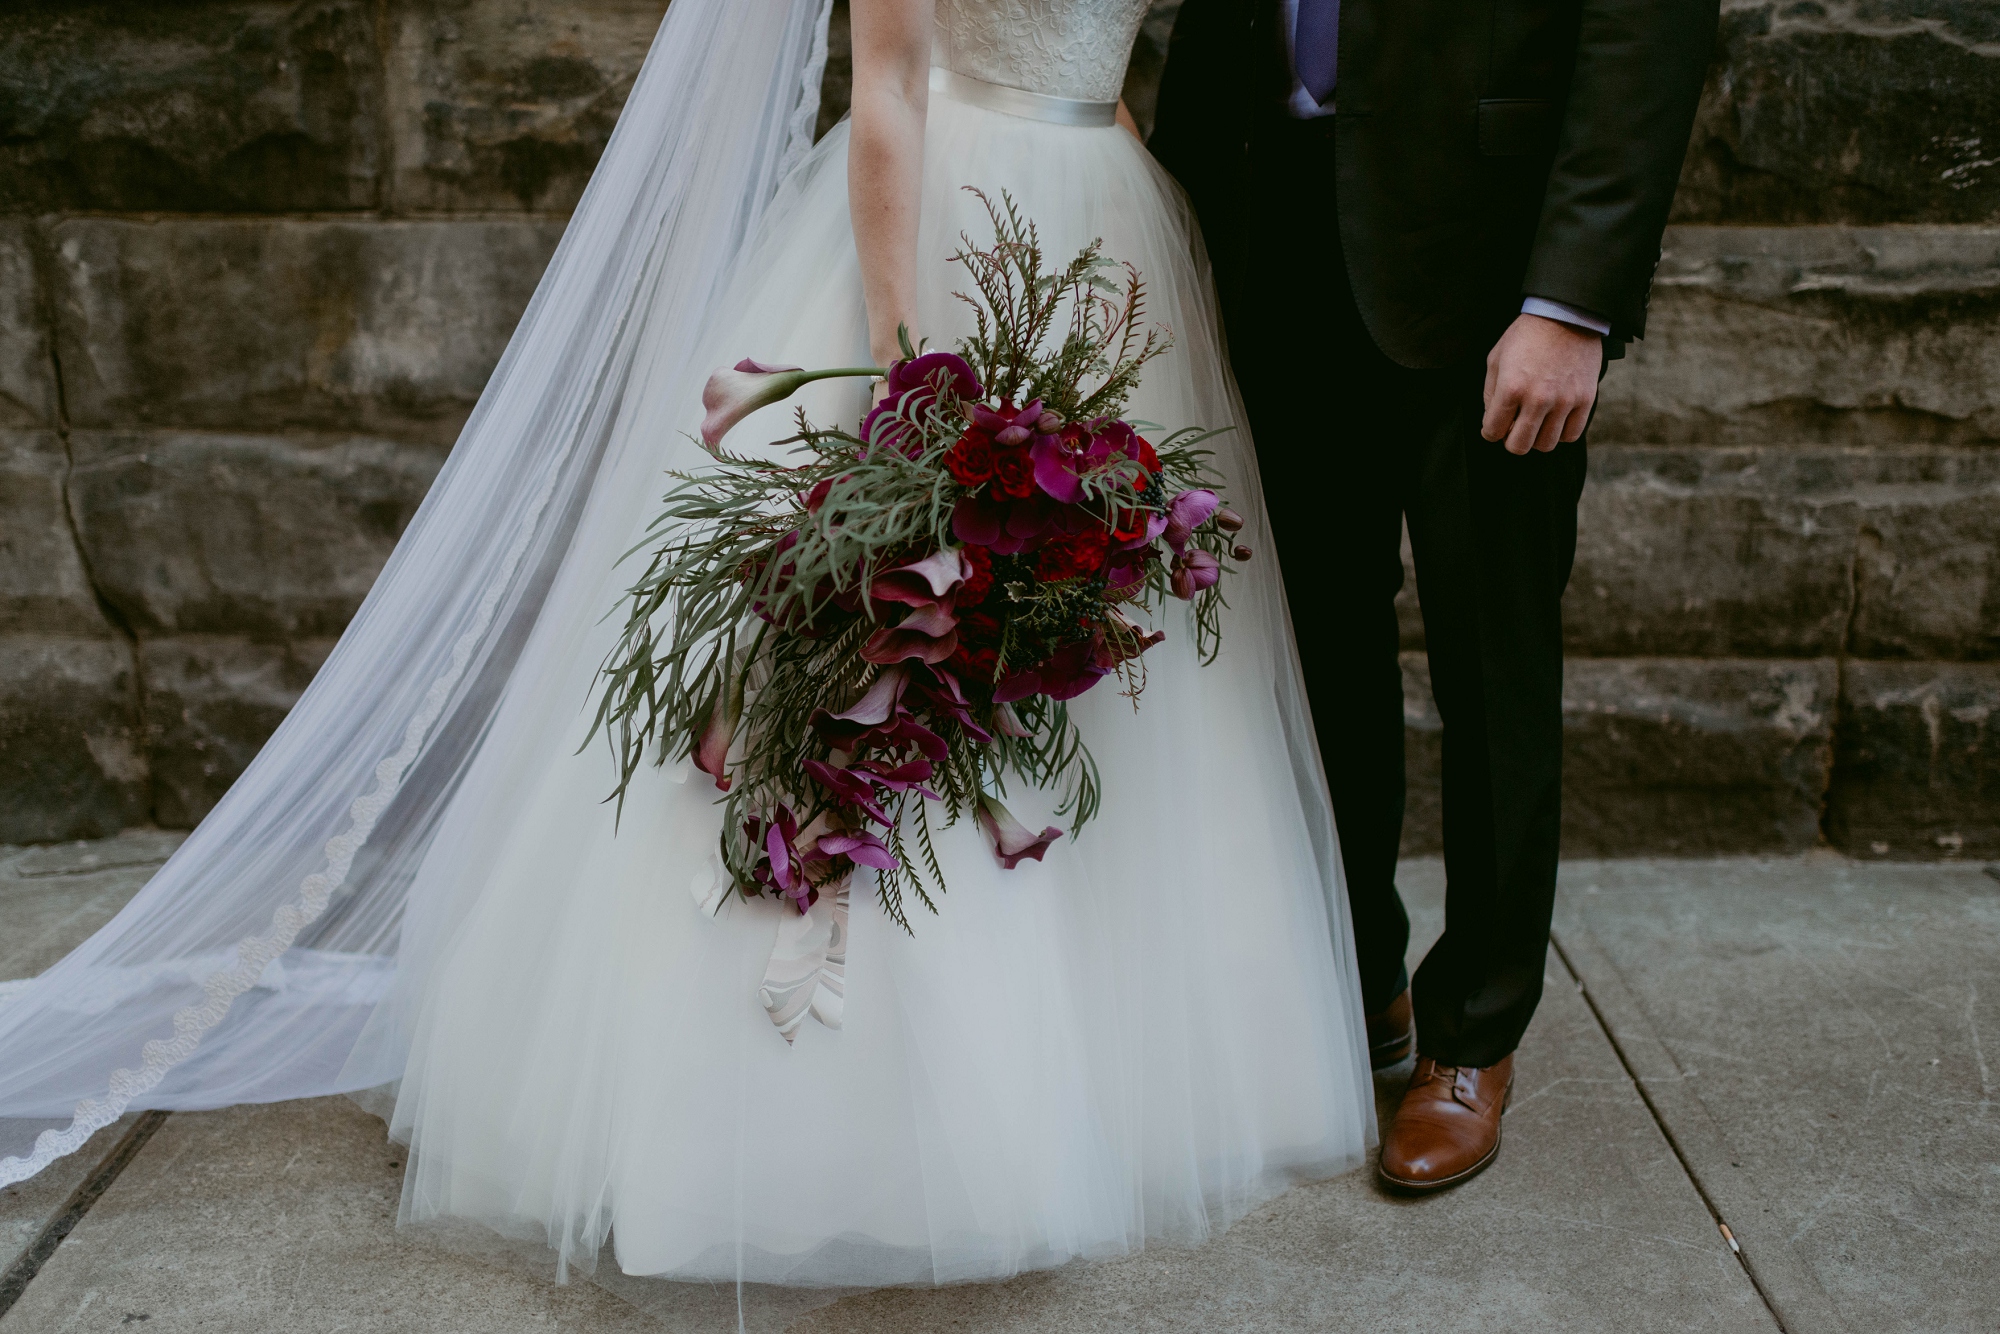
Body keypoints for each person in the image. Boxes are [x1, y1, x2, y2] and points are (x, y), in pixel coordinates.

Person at [0, 0, 1375, 1308]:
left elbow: (1119, 69)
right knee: (904, 644)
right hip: (940, 233)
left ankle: (1124, 1079)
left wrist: (1159, 253)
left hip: (1106, 240)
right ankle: (869, 1119)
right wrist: (911, 378)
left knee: (1105, 656)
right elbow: (890, 83)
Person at [1150, 0, 1717, 1190]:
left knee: (1490, 654)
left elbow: (1642, 32)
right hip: (1274, 237)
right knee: (1307, 650)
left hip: (1487, 264)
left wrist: (1568, 303)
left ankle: (1472, 1035)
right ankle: (1360, 984)